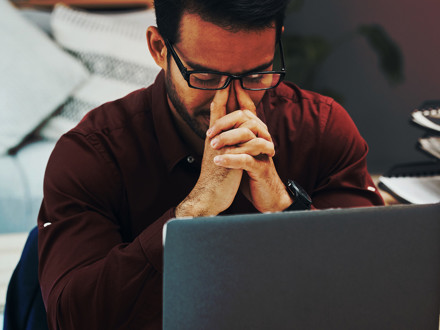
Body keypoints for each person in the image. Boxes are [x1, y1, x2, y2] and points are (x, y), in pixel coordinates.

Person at [38, 0, 384, 328]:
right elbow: (71, 319)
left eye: (255, 75)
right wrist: (191, 215)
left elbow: (376, 293)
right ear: (159, 48)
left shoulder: (320, 130)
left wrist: (283, 208)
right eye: (205, 77)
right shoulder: (93, 154)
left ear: (276, 42)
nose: (232, 100)